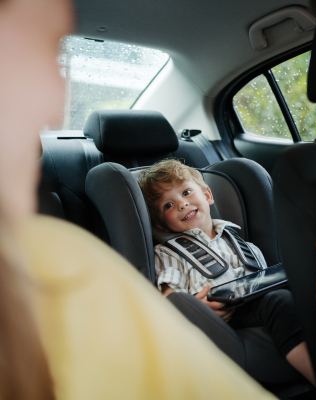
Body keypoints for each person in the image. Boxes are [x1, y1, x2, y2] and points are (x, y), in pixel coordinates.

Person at [0, 0, 278, 398]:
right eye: (30, 52)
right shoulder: (64, 264)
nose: (54, 99)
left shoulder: (66, 256)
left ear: (208, 194)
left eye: (58, 58)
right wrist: (175, 299)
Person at [138, 159, 316, 386]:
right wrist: (196, 308)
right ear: (161, 225)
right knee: (279, 301)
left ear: (208, 195)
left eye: (186, 192)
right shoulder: (168, 253)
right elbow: (169, 297)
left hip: (257, 305)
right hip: (217, 320)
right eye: (168, 206)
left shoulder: (244, 245)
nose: (182, 204)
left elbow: (265, 281)